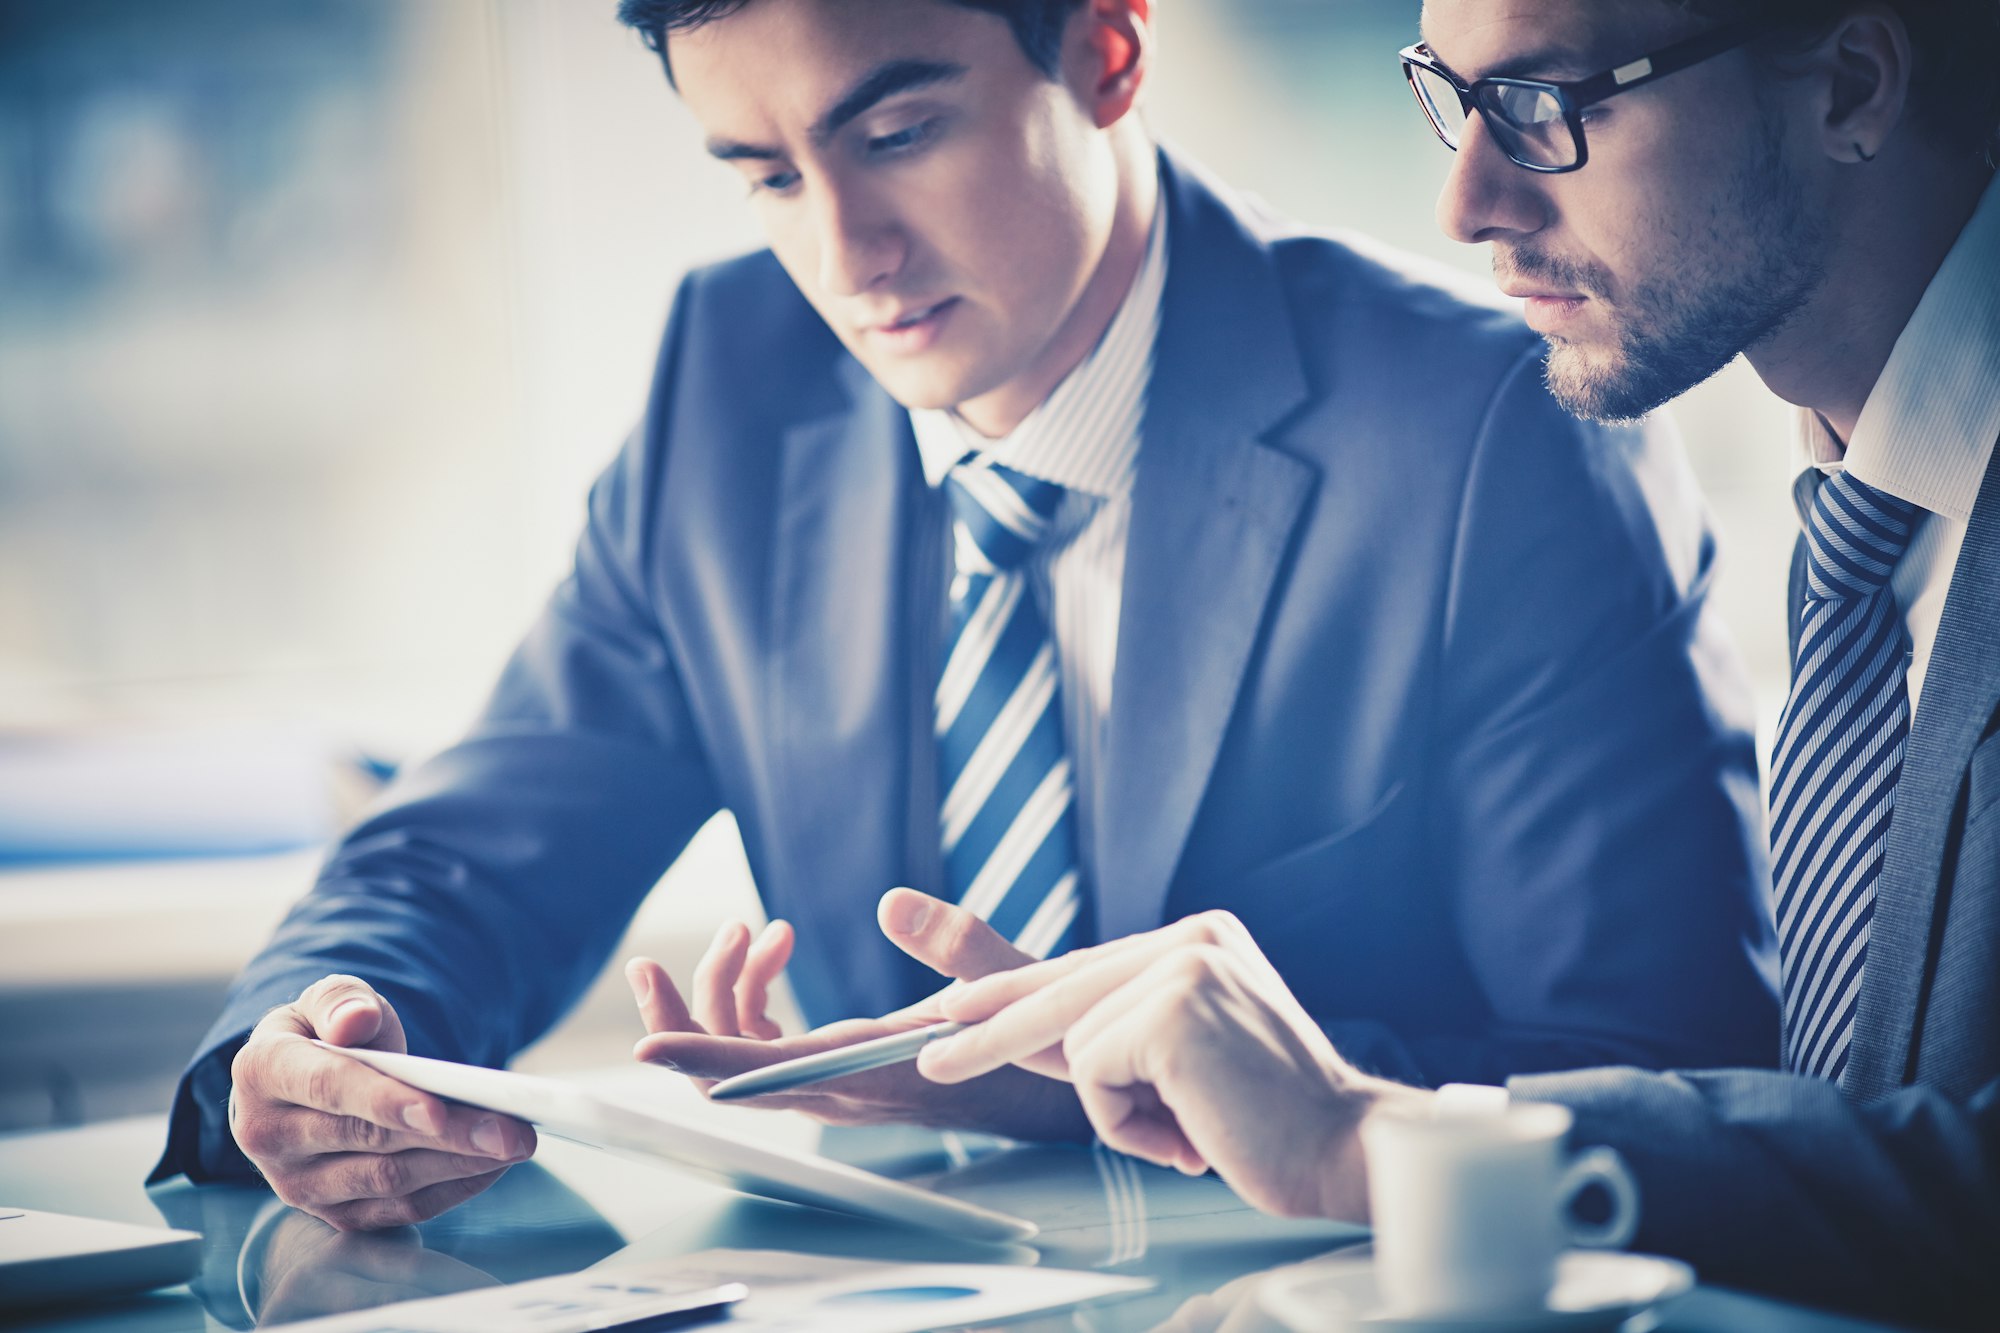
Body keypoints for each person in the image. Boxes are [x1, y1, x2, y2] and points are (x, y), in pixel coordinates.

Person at [153, 0, 1778, 1233]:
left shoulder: (1493, 425)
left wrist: (1088, 1082)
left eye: (897, 135)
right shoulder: (732, 383)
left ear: (1108, 53)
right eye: (765, 175)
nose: (845, 255)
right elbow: (458, 859)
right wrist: (315, 1046)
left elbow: (1663, 1070)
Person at [879, 0, 2000, 1324]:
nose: (1465, 203)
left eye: (1548, 103)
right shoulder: (1873, 521)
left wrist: (1375, 1140)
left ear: (1852, 87)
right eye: (1452, 98)